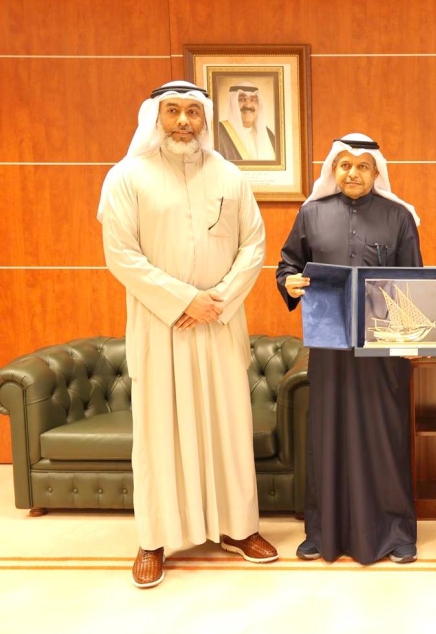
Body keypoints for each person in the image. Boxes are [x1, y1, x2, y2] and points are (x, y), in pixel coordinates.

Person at [98, 80, 275, 589]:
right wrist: (183, 300)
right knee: (159, 433)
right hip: (162, 326)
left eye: (192, 112)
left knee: (228, 427)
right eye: (173, 111)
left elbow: (254, 245)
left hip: (219, 323)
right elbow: (121, 255)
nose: (183, 122)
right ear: (155, 117)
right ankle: (153, 540)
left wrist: (215, 300)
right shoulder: (127, 176)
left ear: (205, 119)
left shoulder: (230, 176)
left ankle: (239, 529)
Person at [276, 133, 423, 565]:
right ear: (333, 169)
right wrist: (288, 282)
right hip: (330, 348)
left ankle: (396, 531)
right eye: (344, 165)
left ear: (376, 171)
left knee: (385, 437)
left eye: (362, 166)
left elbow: (414, 281)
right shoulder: (311, 214)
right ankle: (322, 532)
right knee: (328, 435)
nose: (352, 173)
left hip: (383, 351)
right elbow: (288, 264)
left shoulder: (399, 217)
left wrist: (413, 341)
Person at [216, 83, 277, 161]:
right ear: (233, 103)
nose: (248, 105)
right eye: (242, 99)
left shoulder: (268, 135)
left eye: (253, 100)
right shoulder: (219, 132)